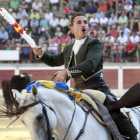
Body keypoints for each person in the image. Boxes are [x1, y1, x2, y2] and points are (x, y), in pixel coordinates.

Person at [32, 13, 138, 140]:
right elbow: (54, 60)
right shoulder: (69, 48)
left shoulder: (94, 43)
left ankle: (132, 137)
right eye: (79, 22)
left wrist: (67, 72)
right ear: (72, 28)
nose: (83, 24)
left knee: (114, 113)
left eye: (85, 22)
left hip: (97, 89)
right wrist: (41, 54)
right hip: (79, 92)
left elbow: (91, 64)